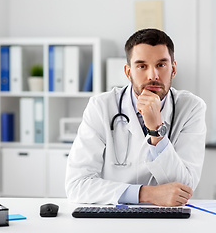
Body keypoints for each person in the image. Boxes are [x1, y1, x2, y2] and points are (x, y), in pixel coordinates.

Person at [65, 28, 206, 206]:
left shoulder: (191, 108)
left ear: (173, 69)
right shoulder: (101, 107)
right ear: (128, 72)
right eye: (142, 66)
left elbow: (184, 189)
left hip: (167, 219)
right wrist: (146, 194)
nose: (152, 75)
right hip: (115, 218)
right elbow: (77, 185)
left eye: (161, 65)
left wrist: (156, 130)